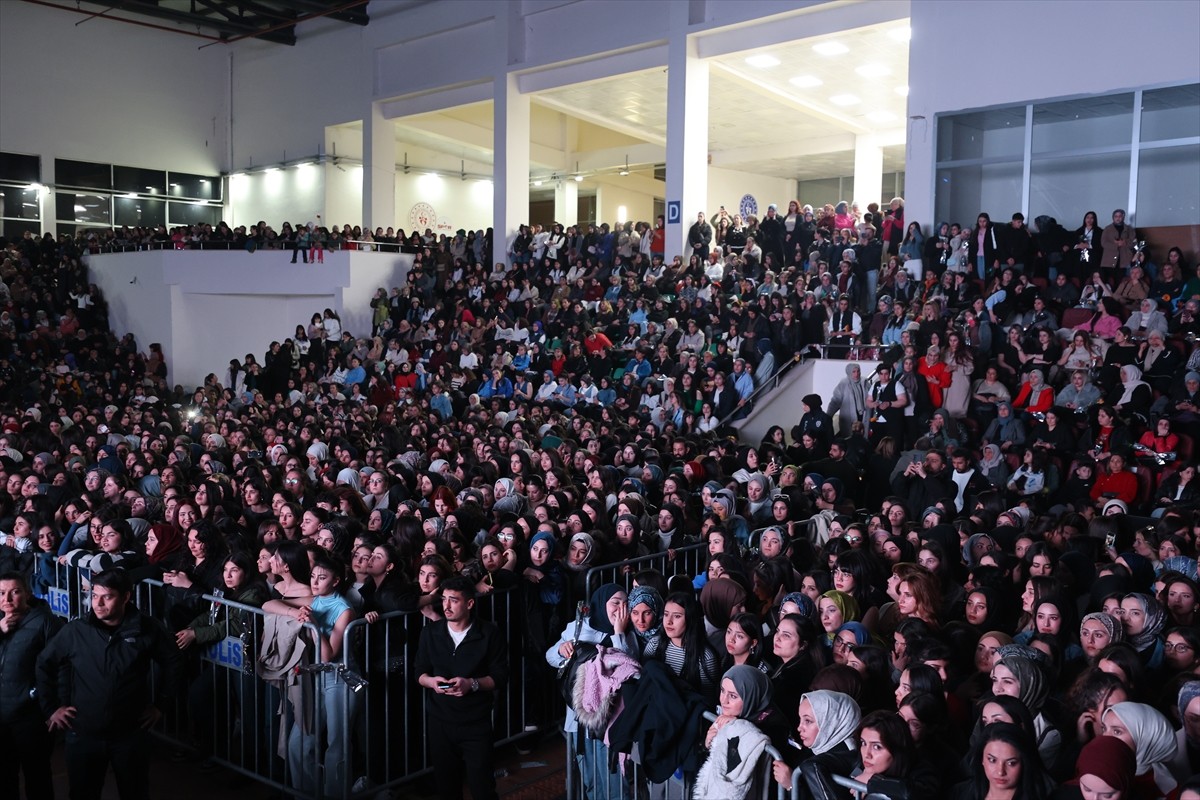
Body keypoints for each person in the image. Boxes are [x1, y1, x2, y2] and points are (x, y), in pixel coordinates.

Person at [35, 568, 181, 800]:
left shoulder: (147, 628)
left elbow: (173, 662)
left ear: (126, 597)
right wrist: (51, 708)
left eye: (107, 596)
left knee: (134, 793)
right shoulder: (76, 630)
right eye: (94, 595)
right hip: (83, 733)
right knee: (83, 794)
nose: (98, 603)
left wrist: (161, 704)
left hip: (130, 734)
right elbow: (44, 664)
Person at [416, 575, 508, 800]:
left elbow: (500, 676)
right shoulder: (431, 633)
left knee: (482, 787)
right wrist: (432, 682)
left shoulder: (488, 633)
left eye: (453, 600)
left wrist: (472, 684)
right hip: (440, 719)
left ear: (469, 603)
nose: (446, 606)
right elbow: (419, 673)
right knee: (447, 787)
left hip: (475, 721)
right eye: (444, 599)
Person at [0, 571, 63, 800]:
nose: (7, 600)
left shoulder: (45, 622)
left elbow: (62, 666)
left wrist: (54, 706)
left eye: (14, 592)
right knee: (5, 778)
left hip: (31, 716)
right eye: (1, 593)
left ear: (27, 593)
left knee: (37, 778)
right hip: (2, 717)